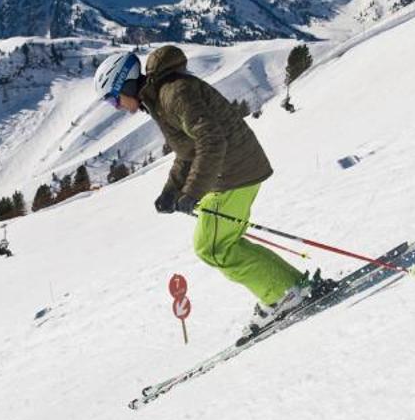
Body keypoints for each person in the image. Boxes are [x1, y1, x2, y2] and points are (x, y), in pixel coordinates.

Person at [95, 47, 324, 338]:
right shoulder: (161, 98)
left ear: (125, 84)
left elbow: (211, 140)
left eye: (114, 99)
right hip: (234, 171)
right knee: (222, 243)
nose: (117, 107)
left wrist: (192, 192)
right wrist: (171, 190)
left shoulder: (172, 95)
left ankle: (285, 293)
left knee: (213, 247)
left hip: (234, 174)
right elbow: (187, 151)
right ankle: (291, 288)